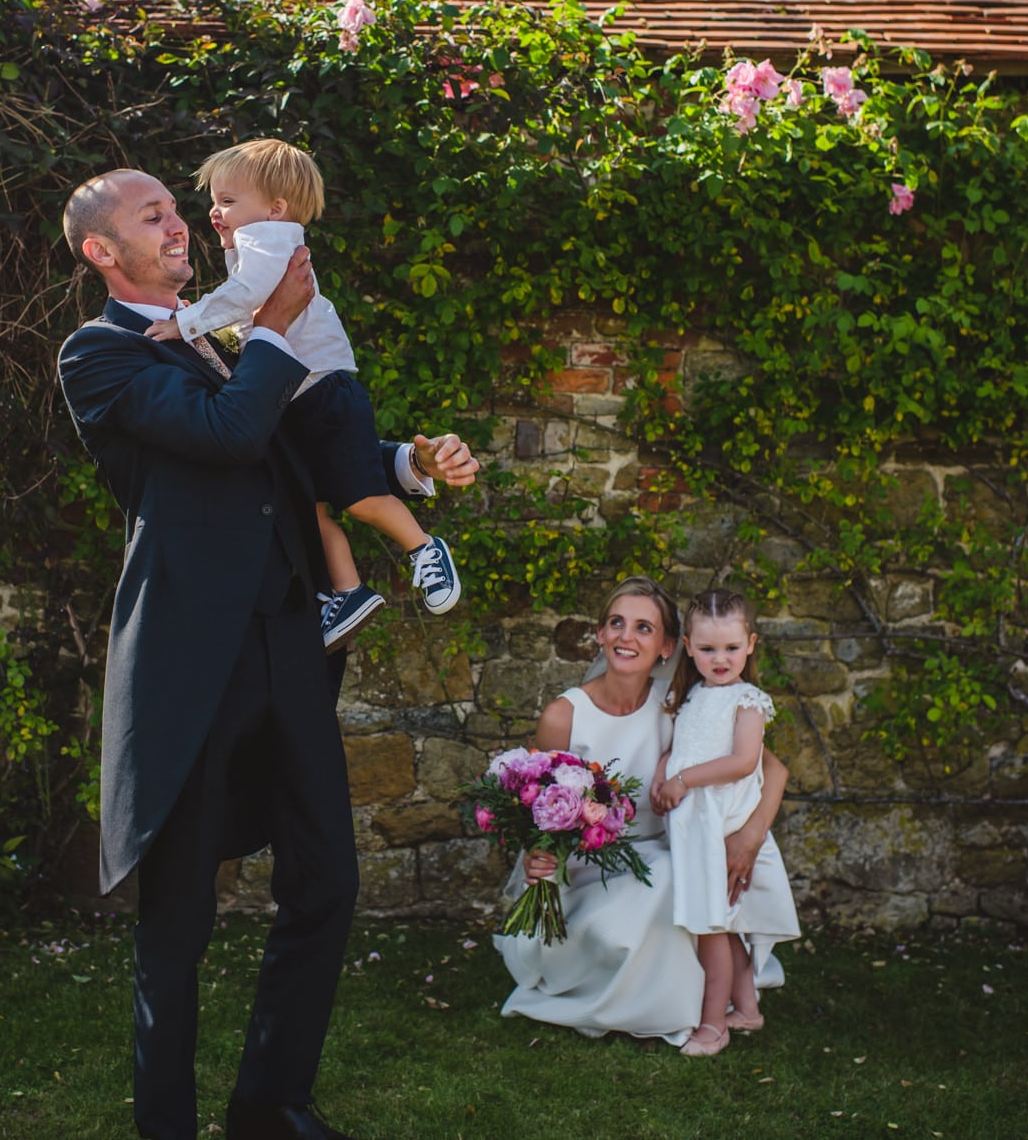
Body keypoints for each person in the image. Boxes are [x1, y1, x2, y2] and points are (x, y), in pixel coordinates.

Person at [55, 167, 479, 1140]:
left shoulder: (222, 339)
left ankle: (269, 1106)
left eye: (175, 209)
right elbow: (229, 429)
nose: (178, 226)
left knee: (326, 883)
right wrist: (279, 327)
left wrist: (411, 465)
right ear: (100, 251)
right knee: (176, 931)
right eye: (151, 216)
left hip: (290, 648)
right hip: (190, 670)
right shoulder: (101, 358)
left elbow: (301, 456)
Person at [138, 138, 459, 650]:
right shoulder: (256, 243)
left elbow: (247, 297)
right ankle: (347, 592)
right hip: (299, 398)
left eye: (226, 201)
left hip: (323, 391)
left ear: (276, 208)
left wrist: (189, 322)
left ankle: (424, 548)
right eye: (216, 202)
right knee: (308, 505)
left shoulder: (269, 241)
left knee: (358, 499)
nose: (213, 212)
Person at [498, 577, 790, 1046]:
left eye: (643, 628)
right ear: (600, 633)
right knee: (678, 876)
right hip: (587, 868)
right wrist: (538, 855)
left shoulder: (678, 705)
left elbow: (772, 769)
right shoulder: (563, 716)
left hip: (663, 852)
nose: (626, 637)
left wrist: (751, 835)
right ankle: (658, 999)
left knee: (679, 873)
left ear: (668, 647)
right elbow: (539, 804)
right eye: (616, 623)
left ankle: (687, 1003)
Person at [649, 587, 802, 1057]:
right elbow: (681, 748)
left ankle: (713, 1025)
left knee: (709, 931)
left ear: (751, 645)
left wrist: (684, 780)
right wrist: (663, 773)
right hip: (695, 827)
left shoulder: (749, 701)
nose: (721, 659)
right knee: (722, 928)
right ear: (689, 648)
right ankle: (748, 1009)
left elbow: (741, 761)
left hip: (717, 828)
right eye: (709, 649)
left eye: (732, 648)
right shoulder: (693, 698)